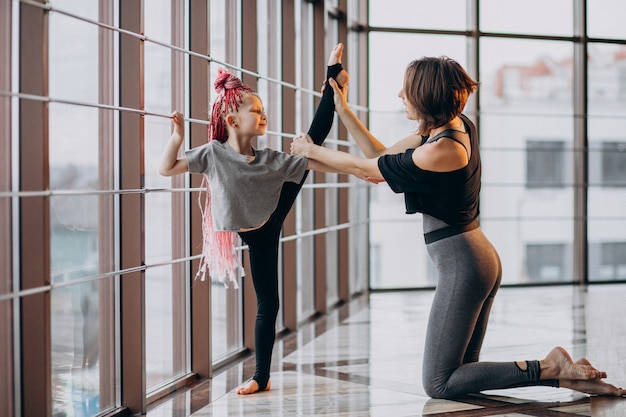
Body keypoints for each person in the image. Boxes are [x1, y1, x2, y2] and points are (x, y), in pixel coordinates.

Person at [290, 54, 625, 399]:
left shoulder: (442, 150)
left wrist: (309, 148)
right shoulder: (447, 129)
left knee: (439, 383)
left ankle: (550, 366)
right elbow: (379, 156)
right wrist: (340, 112)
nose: (399, 95)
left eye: (406, 90)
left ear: (425, 94)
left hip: (465, 266)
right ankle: (565, 377)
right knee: (461, 374)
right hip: (472, 261)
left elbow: (367, 170)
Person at [159, 44, 349, 395]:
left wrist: (363, 170)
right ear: (232, 120)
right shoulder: (213, 155)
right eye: (256, 111)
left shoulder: (272, 160)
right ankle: (262, 376)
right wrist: (177, 137)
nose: (264, 116)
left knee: (312, 143)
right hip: (254, 230)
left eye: (263, 111)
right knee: (269, 303)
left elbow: (318, 159)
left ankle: (332, 78)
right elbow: (167, 168)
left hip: (273, 210)